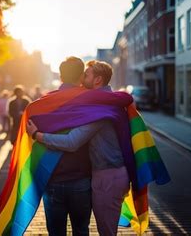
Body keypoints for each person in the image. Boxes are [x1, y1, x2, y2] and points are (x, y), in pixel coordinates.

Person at [26, 60, 129, 235]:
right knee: (84, 230)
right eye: (83, 74)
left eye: (86, 75)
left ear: (97, 80)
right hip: (89, 178)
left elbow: (72, 141)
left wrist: (37, 135)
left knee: (101, 230)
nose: (83, 78)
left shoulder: (98, 108)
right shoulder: (93, 102)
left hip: (95, 176)